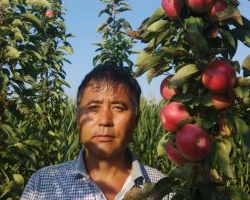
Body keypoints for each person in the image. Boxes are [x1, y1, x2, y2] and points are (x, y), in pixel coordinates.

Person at [21, 63, 168, 200]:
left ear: (136, 120)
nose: (105, 120)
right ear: (78, 118)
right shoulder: (41, 185)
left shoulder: (163, 189)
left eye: (118, 107)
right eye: (93, 107)